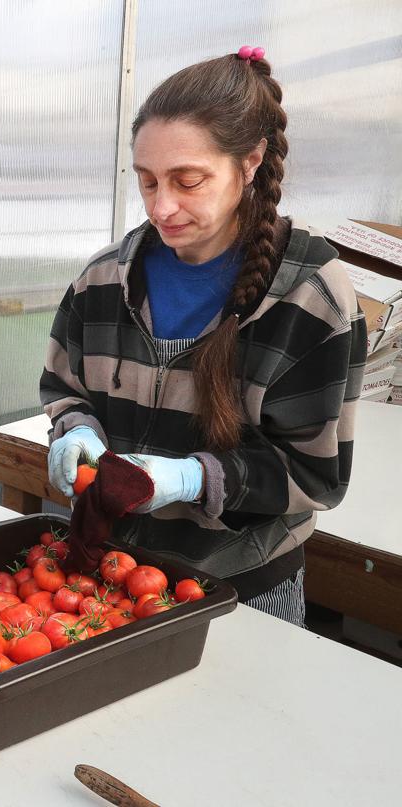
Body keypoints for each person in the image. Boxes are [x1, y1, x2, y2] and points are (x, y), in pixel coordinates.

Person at [40, 47, 366, 627]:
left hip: (239, 584)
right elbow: (66, 389)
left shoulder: (308, 296)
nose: (162, 207)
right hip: (110, 573)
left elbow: (313, 475)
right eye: (147, 182)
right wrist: (76, 429)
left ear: (251, 161)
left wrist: (194, 479)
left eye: (188, 181)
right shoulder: (104, 279)